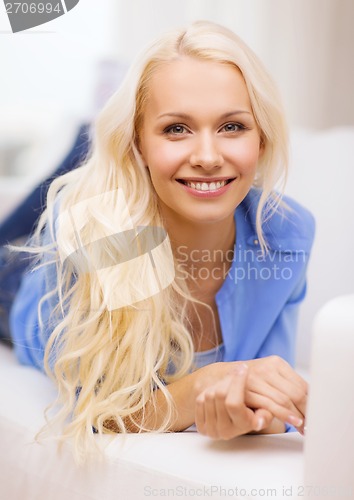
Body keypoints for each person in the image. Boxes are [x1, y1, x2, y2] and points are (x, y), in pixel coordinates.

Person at [8, 20, 315, 462]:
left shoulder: (286, 234)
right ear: (138, 145)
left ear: (262, 140)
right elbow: (101, 408)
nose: (208, 157)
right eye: (176, 129)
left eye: (232, 127)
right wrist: (201, 388)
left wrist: (256, 414)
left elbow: (270, 389)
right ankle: (84, 138)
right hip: (22, 284)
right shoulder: (112, 230)